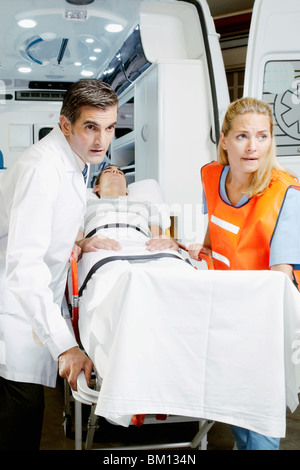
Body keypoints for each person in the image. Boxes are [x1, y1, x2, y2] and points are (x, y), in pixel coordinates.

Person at [0, 79, 118, 449]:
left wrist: (78, 241)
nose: (102, 139)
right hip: (13, 315)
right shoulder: (42, 168)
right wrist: (65, 346)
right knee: (18, 423)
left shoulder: (74, 161)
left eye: (110, 127)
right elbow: (24, 266)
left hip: (31, 313)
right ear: (66, 124)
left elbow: (50, 223)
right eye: (91, 127)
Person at [188, 97, 300, 450]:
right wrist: (191, 247)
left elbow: (280, 279)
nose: (253, 147)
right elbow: (216, 231)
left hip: (266, 314)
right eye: (242, 136)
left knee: (259, 406)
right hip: (225, 307)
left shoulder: (285, 193)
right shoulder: (211, 175)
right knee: (232, 400)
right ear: (224, 139)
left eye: (263, 136)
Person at [76, 164, 178, 254]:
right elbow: (76, 248)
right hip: (100, 247)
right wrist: (83, 243)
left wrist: (168, 242)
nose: (115, 171)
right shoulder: (83, 206)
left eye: (120, 172)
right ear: (96, 188)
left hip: (144, 246)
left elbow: (158, 241)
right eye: (108, 171)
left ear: (127, 190)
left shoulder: (148, 207)